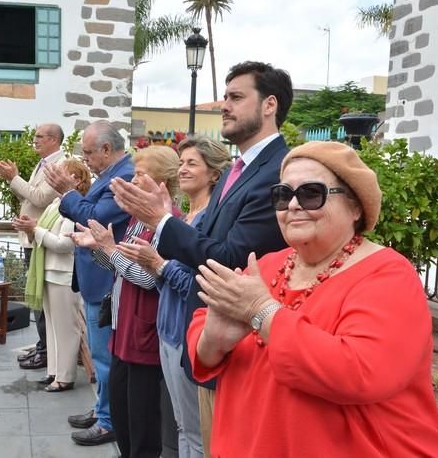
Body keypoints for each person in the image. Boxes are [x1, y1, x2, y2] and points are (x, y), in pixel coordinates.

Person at [188, 141, 438, 457]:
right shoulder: (268, 264)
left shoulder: (388, 274)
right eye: (283, 195)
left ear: (356, 207)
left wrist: (262, 311)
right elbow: (205, 324)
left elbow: (362, 372)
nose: (294, 205)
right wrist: (213, 342)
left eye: (311, 193)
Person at [109, 61, 293, 455]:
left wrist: (160, 223)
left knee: (210, 442)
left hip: (241, 337)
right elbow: (205, 241)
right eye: (225, 97)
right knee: (191, 434)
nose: (224, 105)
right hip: (205, 329)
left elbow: (227, 258)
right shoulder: (238, 169)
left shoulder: (278, 170)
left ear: (269, 105)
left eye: (236, 97)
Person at [116, 136, 231, 458]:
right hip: (167, 330)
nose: (183, 169)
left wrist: (158, 266)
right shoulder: (183, 216)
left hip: (187, 330)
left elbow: (198, 281)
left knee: (195, 430)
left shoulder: (208, 221)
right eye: (181, 163)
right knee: (182, 425)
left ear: (214, 175)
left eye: (192, 163)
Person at [71, 146, 180, 457]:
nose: (133, 180)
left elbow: (149, 279)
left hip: (143, 335)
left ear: (162, 182)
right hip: (124, 331)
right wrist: (98, 248)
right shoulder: (137, 218)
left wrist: (110, 248)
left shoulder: (168, 222)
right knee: (122, 416)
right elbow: (121, 271)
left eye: (141, 174)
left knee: (142, 425)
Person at [43, 120, 134, 446]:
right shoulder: (111, 175)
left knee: (104, 355)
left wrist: (68, 192)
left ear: (107, 150)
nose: (85, 159)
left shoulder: (124, 177)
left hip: (106, 278)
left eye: (88, 152)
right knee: (99, 353)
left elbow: (96, 219)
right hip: (97, 276)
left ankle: (109, 421)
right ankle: (102, 409)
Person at [0, 123, 66, 371]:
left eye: (39, 136)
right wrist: (13, 180)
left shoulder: (60, 164)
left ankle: (46, 350)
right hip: (32, 234)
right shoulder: (43, 161)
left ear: (54, 139)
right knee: (35, 295)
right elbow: (30, 196)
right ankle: (43, 344)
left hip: (42, 237)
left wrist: (14, 177)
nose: (34, 140)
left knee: (42, 297)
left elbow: (42, 198)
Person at [12, 158, 91, 392]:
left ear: (76, 179)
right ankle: (54, 372)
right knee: (53, 327)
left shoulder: (76, 204)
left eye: (60, 173)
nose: (53, 177)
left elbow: (64, 244)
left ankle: (65, 376)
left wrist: (35, 229)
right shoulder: (55, 202)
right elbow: (45, 231)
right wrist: (31, 227)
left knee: (66, 328)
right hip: (48, 270)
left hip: (63, 273)